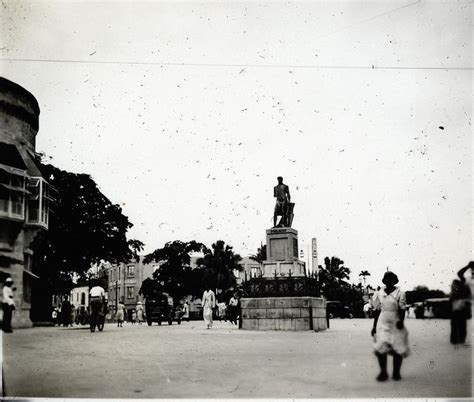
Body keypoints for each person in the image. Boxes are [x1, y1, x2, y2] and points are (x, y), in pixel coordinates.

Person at [371, 271, 409, 382]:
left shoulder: (400, 293)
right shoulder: (379, 293)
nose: (388, 281)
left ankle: (396, 372)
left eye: (391, 279)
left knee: (397, 346)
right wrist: (374, 327)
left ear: (395, 280)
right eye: (386, 279)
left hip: (395, 321)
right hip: (382, 321)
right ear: (384, 280)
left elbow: (402, 309)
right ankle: (383, 372)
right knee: (381, 346)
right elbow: (377, 311)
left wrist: (401, 321)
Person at [449, 262, 472, 345]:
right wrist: (467, 266)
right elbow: (459, 273)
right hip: (461, 303)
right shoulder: (467, 281)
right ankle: (458, 340)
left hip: (462, 303)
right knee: (460, 322)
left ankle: (456, 340)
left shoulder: (467, 281)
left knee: (459, 322)